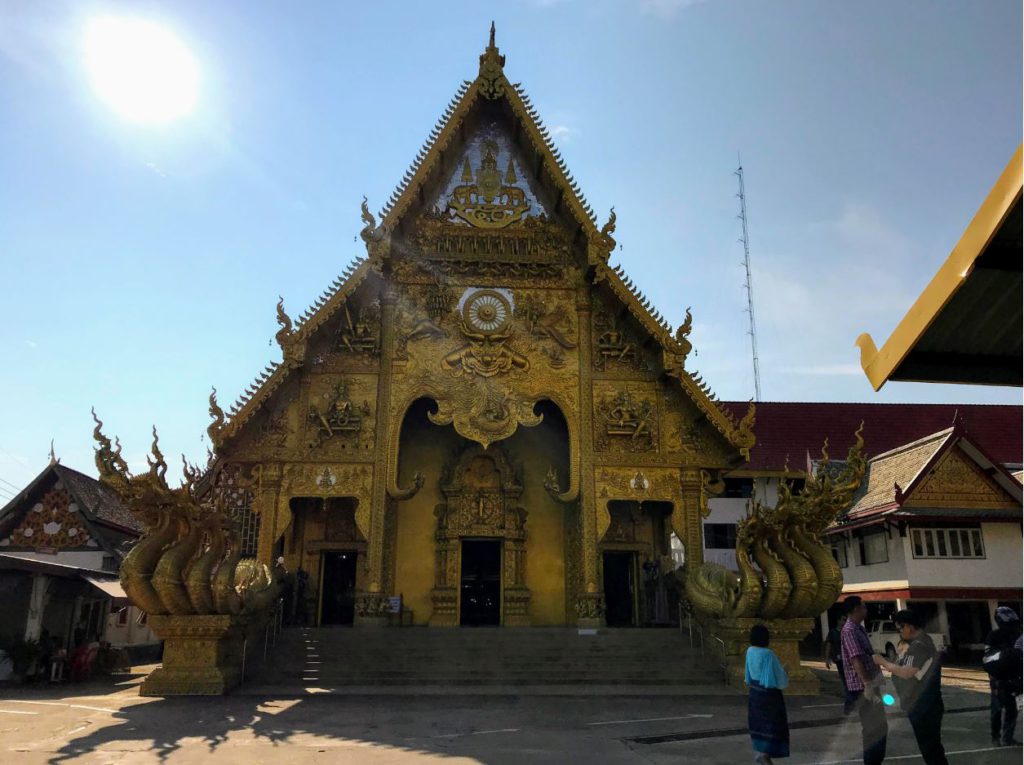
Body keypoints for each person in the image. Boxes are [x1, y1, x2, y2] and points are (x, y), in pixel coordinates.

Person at [874, 609, 948, 765]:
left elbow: (907, 673)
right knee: (930, 749)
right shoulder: (915, 644)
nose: (900, 632)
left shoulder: (920, 646)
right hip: (920, 704)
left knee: (931, 749)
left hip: (925, 706)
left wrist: (883, 662)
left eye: (900, 628)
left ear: (909, 626)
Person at [840, 596, 888, 765]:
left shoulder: (858, 628)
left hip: (870, 684)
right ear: (855, 610)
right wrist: (867, 683)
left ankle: (875, 760)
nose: (865, 610)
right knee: (873, 728)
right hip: (863, 687)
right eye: (863, 607)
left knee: (879, 726)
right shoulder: (850, 631)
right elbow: (856, 658)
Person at [745, 624, 790, 764]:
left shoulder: (750, 651)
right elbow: (779, 678)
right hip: (769, 695)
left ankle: (760, 752)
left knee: (758, 723)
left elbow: (748, 674)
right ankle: (765, 754)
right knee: (772, 724)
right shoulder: (768, 654)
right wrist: (785, 671)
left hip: (754, 692)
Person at [984, 606, 1022, 747]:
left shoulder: (1018, 635)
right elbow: (987, 659)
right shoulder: (993, 636)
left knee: (1012, 709)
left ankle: (1007, 738)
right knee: (997, 709)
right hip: (999, 677)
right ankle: (996, 737)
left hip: (1015, 677)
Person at [824, 615, 848, 693]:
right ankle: (848, 692)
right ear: (838, 620)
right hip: (839, 658)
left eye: (845, 620)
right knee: (844, 676)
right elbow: (828, 645)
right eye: (843, 620)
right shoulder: (833, 632)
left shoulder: (847, 631)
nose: (844, 622)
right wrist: (827, 659)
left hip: (849, 658)